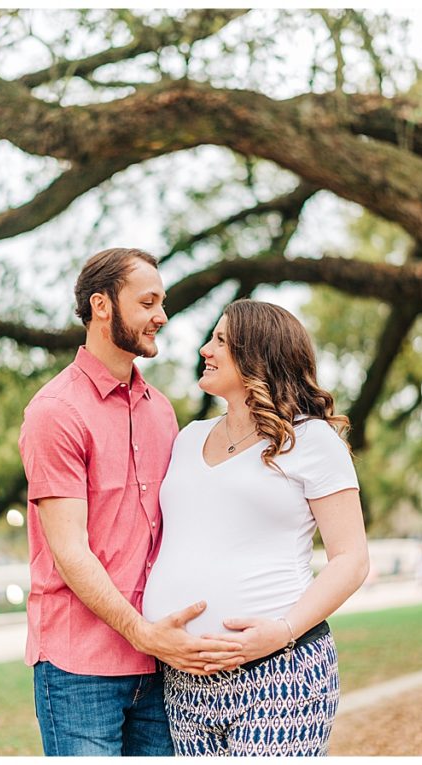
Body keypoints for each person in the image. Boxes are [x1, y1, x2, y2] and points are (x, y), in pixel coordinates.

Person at [18, 248, 244, 757]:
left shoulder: (161, 412)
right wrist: (142, 632)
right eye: (147, 302)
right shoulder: (55, 412)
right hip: (80, 669)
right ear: (102, 306)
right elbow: (70, 551)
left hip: (160, 666)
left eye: (161, 302)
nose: (161, 316)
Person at [143, 299, 370, 756]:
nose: (205, 349)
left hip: (279, 672)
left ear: (258, 354)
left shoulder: (309, 439)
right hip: (186, 682)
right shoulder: (187, 438)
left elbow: (352, 559)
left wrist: (281, 631)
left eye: (221, 340)